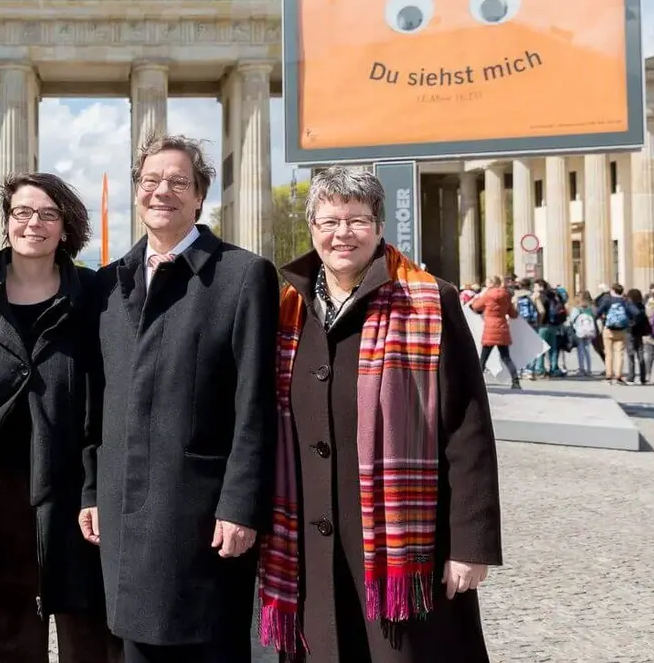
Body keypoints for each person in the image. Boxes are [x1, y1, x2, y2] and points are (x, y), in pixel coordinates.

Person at [258, 167, 502, 663]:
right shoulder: (287, 306)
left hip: (405, 545)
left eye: (357, 220)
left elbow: (467, 428)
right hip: (312, 538)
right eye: (328, 221)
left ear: (380, 226)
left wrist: (471, 542)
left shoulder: (431, 301)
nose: (341, 233)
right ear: (311, 229)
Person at [83, 135, 278, 663]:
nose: (161, 191)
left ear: (199, 197)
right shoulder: (107, 283)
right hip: (124, 507)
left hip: (201, 515)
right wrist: (91, 489)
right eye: (150, 181)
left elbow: (255, 403)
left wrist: (242, 505)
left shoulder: (241, 276)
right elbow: (97, 400)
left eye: (177, 182)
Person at [0, 172, 120, 663]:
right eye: (22, 212)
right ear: (7, 222)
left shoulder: (97, 295)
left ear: (66, 228)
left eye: (49, 214)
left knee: (86, 628)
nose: (34, 223)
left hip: (74, 485)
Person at [470, 275, 520, 389]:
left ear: (492, 284)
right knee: (506, 357)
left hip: (490, 329)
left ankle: (475, 383)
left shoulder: (488, 294)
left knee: (483, 359)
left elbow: (476, 306)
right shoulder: (507, 295)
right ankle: (516, 381)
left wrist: (477, 298)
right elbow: (513, 314)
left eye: (487, 282)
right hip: (502, 328)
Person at [596, 284, 635, 384]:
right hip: (621, 330)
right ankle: (618, 375)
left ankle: (609, 375)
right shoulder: (625, 301)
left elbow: (597, 311)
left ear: (613, 290)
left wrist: (602, 317)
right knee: (619, 353)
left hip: (608, 329)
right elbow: (636, 312)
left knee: (608, 353)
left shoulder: (607, 300)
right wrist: (629, 319)